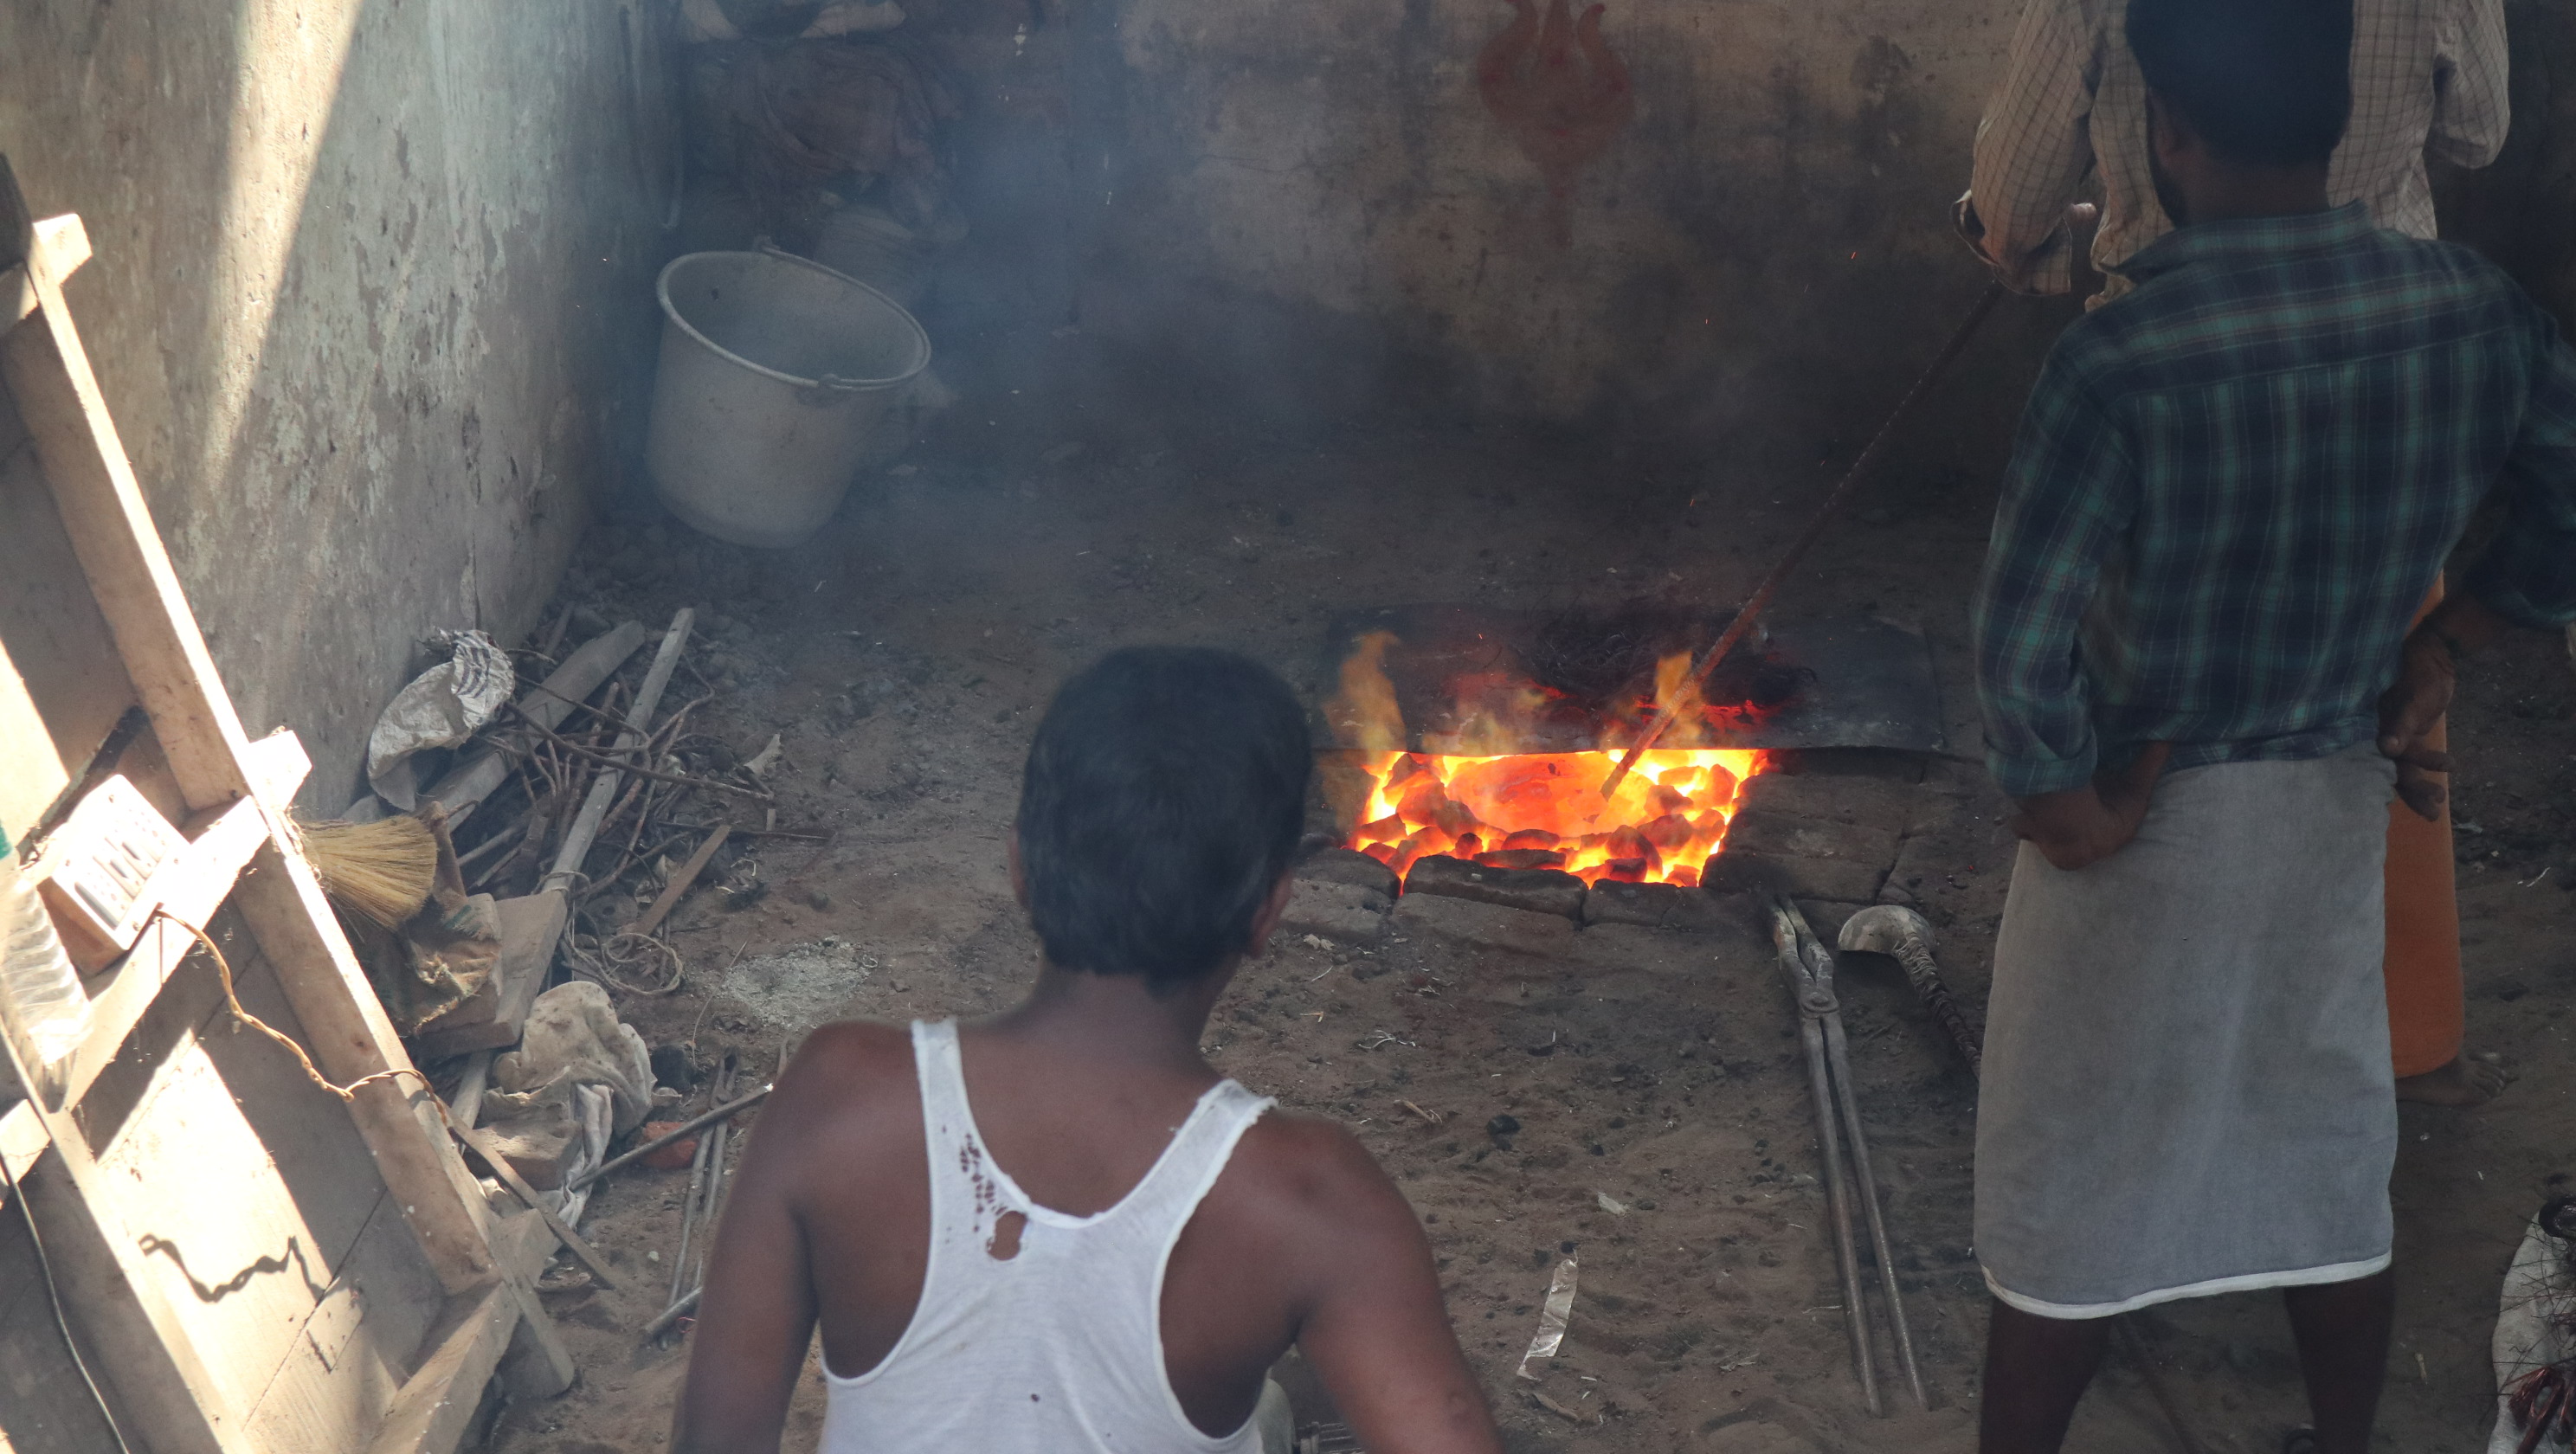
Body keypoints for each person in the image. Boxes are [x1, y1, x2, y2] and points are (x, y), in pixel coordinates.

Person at [1967, 0, 2576, 1448]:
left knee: (2074, 1173)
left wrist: (2061, 800)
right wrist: (2444, 643)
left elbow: (2020, 635)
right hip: (2330, 796)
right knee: (2321, 1143)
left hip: (2147, 817)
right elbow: (2563, 508)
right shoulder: (2472, 311)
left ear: (2169, 132)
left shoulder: (2122, 358)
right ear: (2340, 117)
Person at [671, 647, 1504, 1454]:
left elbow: (717, 1439)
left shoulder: (839, 1094)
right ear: (1269, 911)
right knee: (1271, 1411)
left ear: (1020, 868)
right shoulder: (1312, 1199)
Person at [1958, 0, 2513, 1106]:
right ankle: (2394, 1042)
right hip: (2382, 372)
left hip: (2180, 389)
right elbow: (2478, 134)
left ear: (2173, 131)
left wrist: (2010, 234)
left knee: (2156, 729)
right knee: (2378, 723)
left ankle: (2156, 1057)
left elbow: (2014, 207)